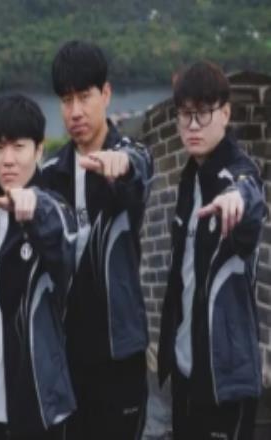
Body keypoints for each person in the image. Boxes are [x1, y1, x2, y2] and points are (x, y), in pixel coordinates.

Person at [42, 40, 153, 439]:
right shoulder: (51, 173)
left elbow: (139, 170)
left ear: (105, 94)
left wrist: (121, 165)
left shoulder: (130, 156)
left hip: (119, 353)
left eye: (84, 97)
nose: (75, 111)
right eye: (66, 100)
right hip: (68, 354)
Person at [0, 93, 77, 440]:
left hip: (36, 411)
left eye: (19, 147)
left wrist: (35, 205)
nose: (7, 160)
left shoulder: (55, 212)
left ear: (39, 151)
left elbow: (63, 239)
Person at [158, 61, 266, 439]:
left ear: (225, 113)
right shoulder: (189, 179)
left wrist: (237, 199)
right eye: (184, 114)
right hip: (186, 370)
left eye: (202, 113)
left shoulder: (238, 172)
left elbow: (250, 192)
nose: (192, 125)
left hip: (225, 378)